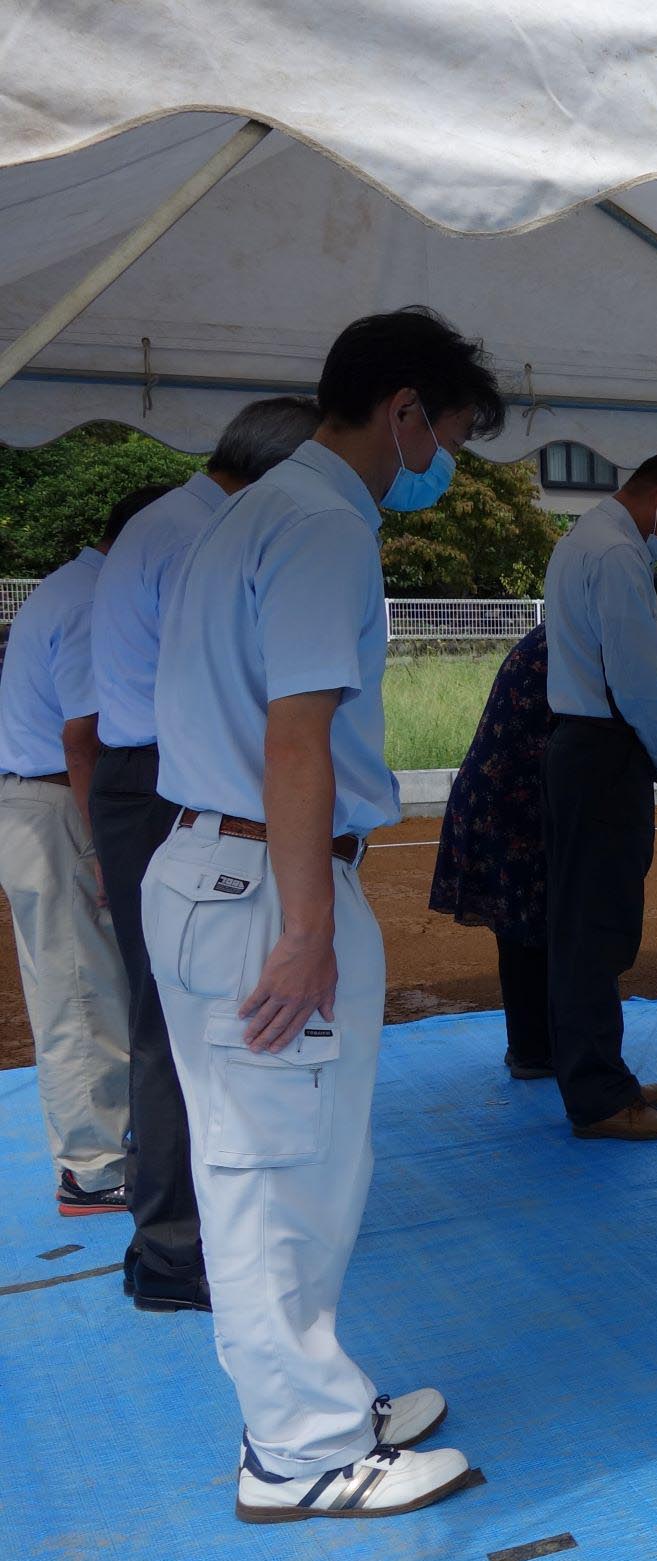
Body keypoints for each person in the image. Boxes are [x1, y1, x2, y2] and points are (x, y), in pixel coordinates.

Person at [143, 306, 501, 1521]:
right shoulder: (320, 527)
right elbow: (294, 740)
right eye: (445, 434)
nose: (439, 464)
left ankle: (319, 1399)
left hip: (225, 867)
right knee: (270, 1170)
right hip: (262, 881)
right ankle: (300, 1454)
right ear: (403, 412)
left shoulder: (258, 511)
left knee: (291, 1163)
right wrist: (304, 930)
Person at [82, 398, 321, 1311]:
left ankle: (177, 1240)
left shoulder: (176, 521)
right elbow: (257, 697)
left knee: (175, 1012)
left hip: (146, 777)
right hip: (165, 788)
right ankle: (182, 1248)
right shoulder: (202, 536)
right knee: (184, 1019)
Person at [540, 446, 657, 1141]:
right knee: (597, 928)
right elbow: (638, 679)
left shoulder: (583, 539)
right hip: (604, 751)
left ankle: (598, 1074)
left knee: (584, 924)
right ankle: (599, 1096)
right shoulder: (616, 556)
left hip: (585, 748)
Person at [0, 494, 142, 1217]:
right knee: (81, 994)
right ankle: (92, 1171)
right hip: (58, 808)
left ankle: (104, 1152)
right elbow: (82, 740)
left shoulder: (71, 586)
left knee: (81, 986)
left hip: (42, 803)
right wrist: (104, 852)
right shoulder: (93, 600)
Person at [427, 623, 555, 1078]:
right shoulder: (575, 646)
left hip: (501, 798)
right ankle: (535, 1050)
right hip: (511, 805)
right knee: (527, 926)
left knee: (522, 927)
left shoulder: (553, 636)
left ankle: (532, 1046)